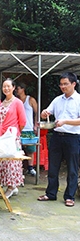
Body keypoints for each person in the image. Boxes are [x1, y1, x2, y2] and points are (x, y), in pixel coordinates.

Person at [37, 72, 80, 207]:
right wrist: (44, 113)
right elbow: (46, 113)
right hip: (57, 136)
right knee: (53, 167)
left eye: (66, 84)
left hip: (73, 137)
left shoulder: (79, 100)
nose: (63, 87)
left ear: (74, 84)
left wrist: (66, 121)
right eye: (61, 84)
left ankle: (70, 196)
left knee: (72, 168)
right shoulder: (57, 100)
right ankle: (51, 193)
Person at [0, 78, 26, 199]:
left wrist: (15, 133)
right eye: (4, 86)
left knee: (11, 162)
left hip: (11, 137)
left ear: (13, 88)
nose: (6, 88)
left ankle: (11, 187)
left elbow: (22, 122)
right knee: (1, 163)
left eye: (8, 86)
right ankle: (9, 185)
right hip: (0, 136)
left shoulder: (17, 103)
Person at [15, 82, 38, 176]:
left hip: (29, 127)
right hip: (18, 128)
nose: (16, 91)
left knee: (31, 149)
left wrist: (36, 124)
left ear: (23, 89)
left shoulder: (30, 99)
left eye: (18, 89)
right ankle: (19, 168)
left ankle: (30, 167)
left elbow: (37, 112)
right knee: (18, 149)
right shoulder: (15, 100)